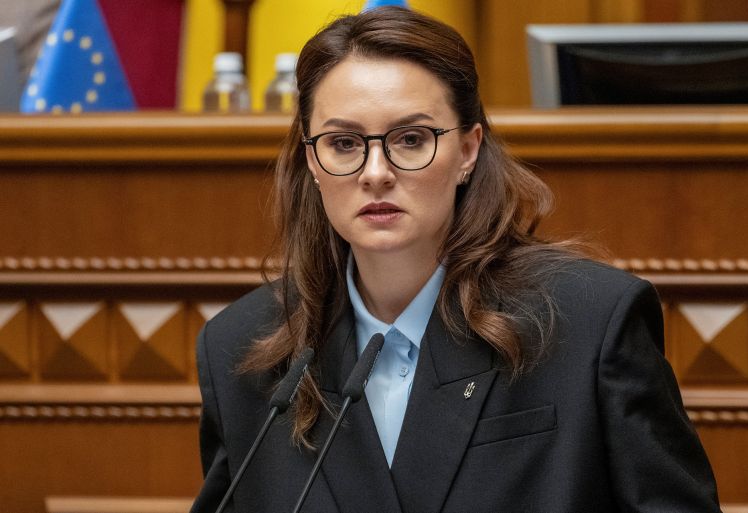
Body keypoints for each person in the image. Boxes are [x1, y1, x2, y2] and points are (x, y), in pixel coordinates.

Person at [191, 7, 720, 512]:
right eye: (345, 143)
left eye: (412, 138)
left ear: (468, 151)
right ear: (313, 160)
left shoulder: (590, 322)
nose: (375, 172)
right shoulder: (240, 350)